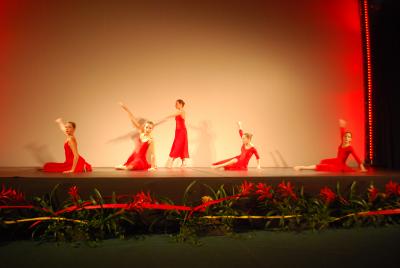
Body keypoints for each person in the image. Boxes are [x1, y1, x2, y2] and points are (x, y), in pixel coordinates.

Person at [294, 119, 367, 172]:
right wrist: (342, 126)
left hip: (340, 165)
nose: (346, 138)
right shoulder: (342, 142)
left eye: (348, 137)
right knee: (323, 161)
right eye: (346, 136)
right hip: (336, 160)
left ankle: (302, 167)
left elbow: (357, 158)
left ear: (351, 139)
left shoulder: (350, 148)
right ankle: (305, 167)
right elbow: (342, 134)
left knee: (323, 166)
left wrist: (362, 168)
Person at [115, 102, 157, 171]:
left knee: (129, 167)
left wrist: (152, 166)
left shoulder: (150, 139)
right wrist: (126, 109)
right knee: (118, 167)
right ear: (144, 127)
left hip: (140, 159)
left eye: (150, 128)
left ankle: (127, 167)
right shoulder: (141, 132)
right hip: (133, 156)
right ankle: (126, 166)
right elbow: (133, 119)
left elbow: (152, 154)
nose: (148, 129)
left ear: (152, 129)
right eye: (147, 127)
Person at [158, 99, 189, 168]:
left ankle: (172, 161)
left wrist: (167, 116)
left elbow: (174, 115)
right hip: (178, 131)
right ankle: (184, 162)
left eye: (177, 104)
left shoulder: (182, 111)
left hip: (182, 131)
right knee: (179, 145)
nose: (175, 105)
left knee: (178, 145)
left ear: (181, 104)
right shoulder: (179, 111)